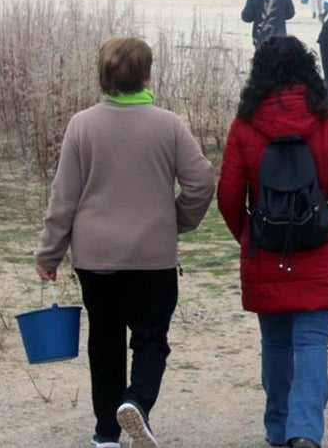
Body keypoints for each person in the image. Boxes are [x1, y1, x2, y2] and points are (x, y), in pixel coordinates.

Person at [34, 37, 215, 448]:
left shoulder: (82, 124)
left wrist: (49, 253)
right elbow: (202, 181)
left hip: (96, 257)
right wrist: (177, 219)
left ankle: (105, 434)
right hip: (153, 256)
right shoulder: (168, 125)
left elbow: (64, 198)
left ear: (103, 76)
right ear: (147, 75)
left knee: (105, 340)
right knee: (151, 339)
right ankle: (137, 401)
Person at [217, 36, 328, 448]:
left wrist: (249, 231)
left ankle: (277, 427)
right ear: (308, 70)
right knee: (311, 343)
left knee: (274, 342)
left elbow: (227, 195)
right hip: (320, 246)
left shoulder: (244, 124)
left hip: (266, 248)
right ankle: (305, 431)